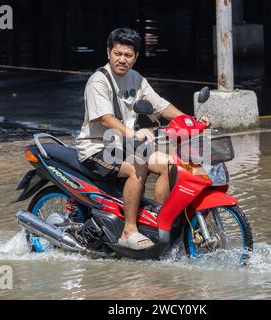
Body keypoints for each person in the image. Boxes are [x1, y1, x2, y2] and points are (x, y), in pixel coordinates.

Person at [76, 27, 209, 250]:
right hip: (96, 148)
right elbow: (106, 119)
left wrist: (190, 120)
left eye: (128, 55)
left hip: (126, 147)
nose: (122, 59)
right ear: (108, 52)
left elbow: (160, 106)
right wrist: (132, 133)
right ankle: (129, 230)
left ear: (135, 57)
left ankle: (161, 223)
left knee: (170, 164)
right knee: (137, 167)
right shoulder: (98, 81)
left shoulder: (136, 79)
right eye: (118, 54)